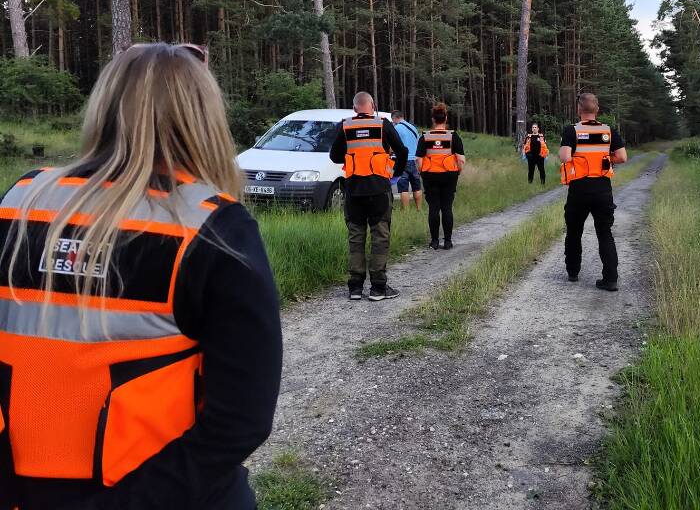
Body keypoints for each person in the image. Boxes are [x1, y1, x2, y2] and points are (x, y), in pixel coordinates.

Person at [0, 43, 282, 510]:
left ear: (105, 105)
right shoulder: (215, 228)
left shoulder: (20, 201)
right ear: (203, 116)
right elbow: (240, 423)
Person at [329, 92, 407, 301]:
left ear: (355, 108)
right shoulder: (383, 124)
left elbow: (335, 156)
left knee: (356, 237)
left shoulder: (344, 125)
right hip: (379, 190)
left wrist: (352, 153)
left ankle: (355, 288)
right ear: (372, 106)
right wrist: (394, 175)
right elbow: (402, 151)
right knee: (380, 236)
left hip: (354, 190)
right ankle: (378, 288)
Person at [559, 92, 628, 291]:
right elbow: (622, 157)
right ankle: (611, 279)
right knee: (605, 233)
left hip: (579, 189)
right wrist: (606, 160)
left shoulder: (572, 130)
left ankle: (573, 272)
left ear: (579, 109)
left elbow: (565, 157)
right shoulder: (608, 131)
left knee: (574, 232)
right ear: (597, 110)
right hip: (602, 189)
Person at [415, 102, 466, 250]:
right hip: (449, 176)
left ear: (433, 119)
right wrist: (457, 172)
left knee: (433, 208)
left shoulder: (425, 137)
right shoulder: (453, 136)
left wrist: (422, 172)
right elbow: (461, 159)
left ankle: (435, 242)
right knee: (447, 208)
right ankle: (448, 242)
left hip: (430, 176)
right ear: (446, 118)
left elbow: (418, 159)